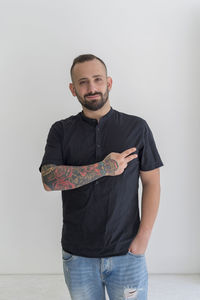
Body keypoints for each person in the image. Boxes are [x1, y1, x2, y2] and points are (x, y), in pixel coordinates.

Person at [39, 54, 164, 300]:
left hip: (127, 253)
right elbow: (49, 179)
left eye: (97, 79)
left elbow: (152, 183)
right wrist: (103, 168)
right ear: (72, 89)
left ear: (109, 82)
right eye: (83, 82)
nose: (92, 87)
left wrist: (143, 238)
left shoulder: (136, 127)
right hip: (78, 256)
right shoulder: (61, 130)